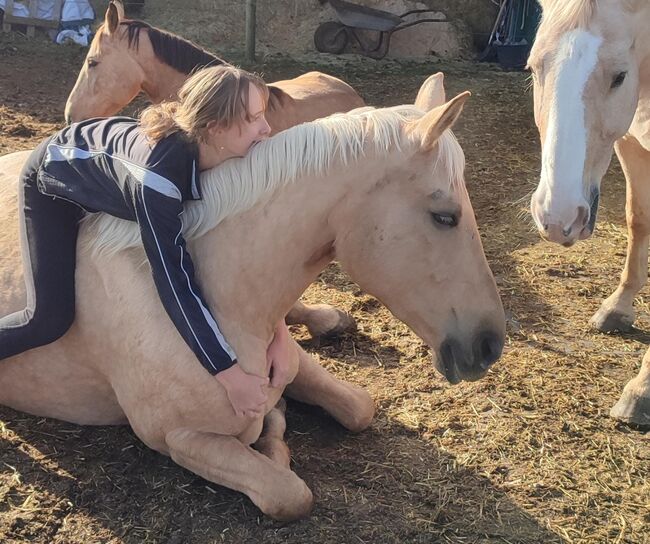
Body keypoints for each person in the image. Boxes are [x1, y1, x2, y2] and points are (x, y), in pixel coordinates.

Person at [0, 65, 289, 418]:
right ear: (216, 128)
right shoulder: (158, 184)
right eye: (253, 117)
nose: (267, 128)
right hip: (55, 174)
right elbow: (173, 282)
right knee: (49, 319)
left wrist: (279, 331)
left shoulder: (223, 152)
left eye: (263, 114)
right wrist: (230, 377)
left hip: (110, 157)